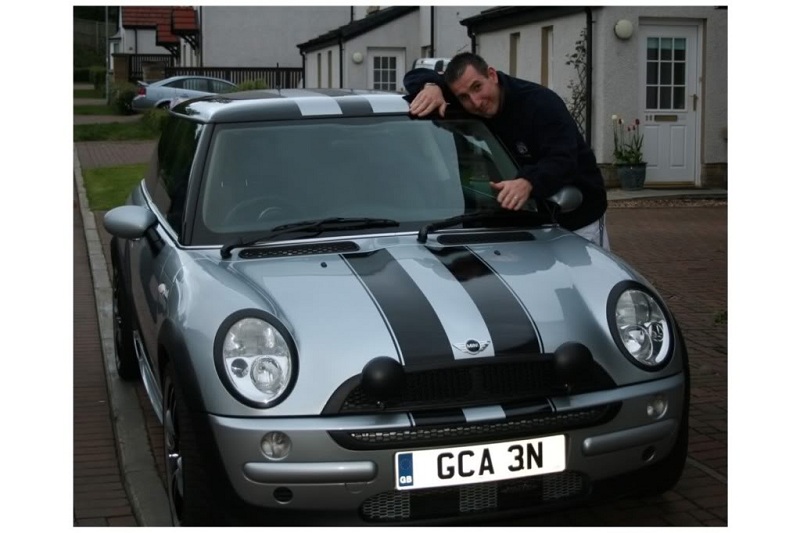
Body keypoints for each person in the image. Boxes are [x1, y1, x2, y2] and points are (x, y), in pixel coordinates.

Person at [404, 52, 610, 249]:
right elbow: (414, 76)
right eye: (464, 97)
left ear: (492, 75)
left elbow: (563, 159)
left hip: (580, 219)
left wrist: (527, 182)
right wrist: (432, 86)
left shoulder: (541, 104)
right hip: (524, 221)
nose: (476, 102)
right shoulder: (467, 95)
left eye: (477, 87)